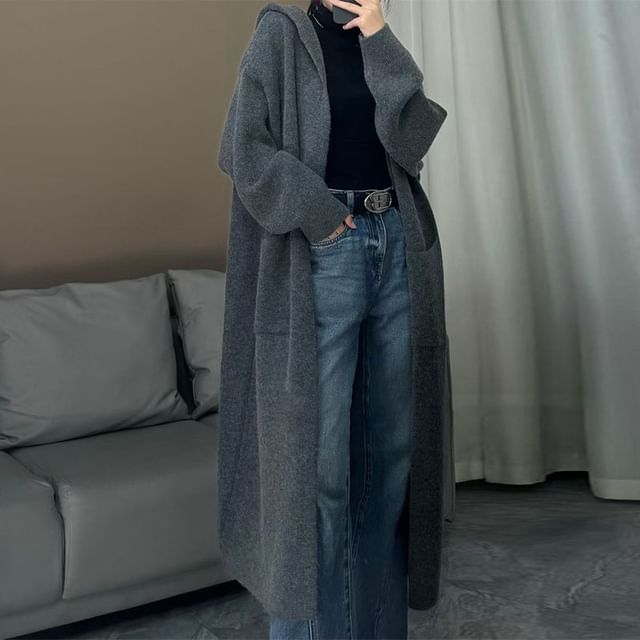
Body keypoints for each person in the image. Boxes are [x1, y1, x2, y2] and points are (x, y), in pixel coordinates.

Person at [216, 1, 451, 639]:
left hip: (396, 245)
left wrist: (379, 37)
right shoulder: (281, 34)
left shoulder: (379, 42)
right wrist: (319, 216)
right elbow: (242, 146)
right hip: (327, 251)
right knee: (316, 471)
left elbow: (413, 139)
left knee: (390, 458)